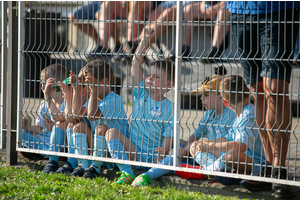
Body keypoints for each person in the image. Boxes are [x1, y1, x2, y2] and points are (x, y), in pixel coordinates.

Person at [226, 1, 300, 198]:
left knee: (275, 89)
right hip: (240, 11)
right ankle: (268, 166)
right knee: (258, 90)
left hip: (278, 10)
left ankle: (279, 168)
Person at [105, 28, 175, 185]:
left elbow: (169, 133)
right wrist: (144, 40)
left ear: (169, 85)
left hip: (153, 156)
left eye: (156, 77)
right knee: (111, 133)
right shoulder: (141, 94)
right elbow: (136, 62)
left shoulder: (170, 107)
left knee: (175, 153)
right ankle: (127, 173)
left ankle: (148, 175)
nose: (149, 79)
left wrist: (164, 149)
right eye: (149, 75)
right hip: (133, 151)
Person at [173, 66, 236, 181]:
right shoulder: (209, 114)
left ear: (221, 96)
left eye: (206, 95)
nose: (202, 98)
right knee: (179, 144)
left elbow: (229, 143)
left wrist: (193, 146)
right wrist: (180, 144)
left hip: (226, 156)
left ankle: (208, 171)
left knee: (193, 147)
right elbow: (192, 139)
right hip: (209, 153)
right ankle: (207, 169)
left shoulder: (231, 115)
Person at [70, 59, 130, 179]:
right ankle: (83, 165)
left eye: (91, 83)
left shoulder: (114, 99)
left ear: (105, 81)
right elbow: (74, 116)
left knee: (101, 128)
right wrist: (76, 89)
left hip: (116, 152)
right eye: (87, 83)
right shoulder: (93, 100)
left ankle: (95, 167)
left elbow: (92, 115)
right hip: (99, 149)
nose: (88, 87)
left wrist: (94, 89)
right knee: (78, 126)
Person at [20, 64, 67, 160]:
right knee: (21, 133)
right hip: (47, 139)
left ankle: (42, 151)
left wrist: (54, 128)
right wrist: (26, 127)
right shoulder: (44, 104)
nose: (42, 88)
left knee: (63, 142)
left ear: (58, 85)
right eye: (41, 84)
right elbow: (39, 128)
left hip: (63, 141)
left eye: (45, 84)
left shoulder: (68, 103)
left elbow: (70, 130)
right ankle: (46, 151)